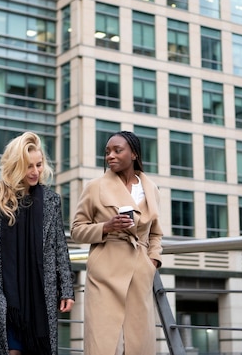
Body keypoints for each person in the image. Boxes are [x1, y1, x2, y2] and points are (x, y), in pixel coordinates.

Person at [0, 132, 75, 355]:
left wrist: (67, 290)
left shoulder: (51, 201)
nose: (35, 172)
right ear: (16, 166)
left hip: (39, 293)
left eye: (39, 165)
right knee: (10, 350)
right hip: (3, 292)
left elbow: (60, 246)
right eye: (28, 166)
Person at [71, 130, 163, 355]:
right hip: (105, 271)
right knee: (103, 340)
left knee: (138, 340)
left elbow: (156, 234)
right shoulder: (95, 186)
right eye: (107, 152)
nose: (110, 156)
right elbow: (76, 230)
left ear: (133, 154)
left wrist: (153, 262)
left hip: (139, 271)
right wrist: (106, 227)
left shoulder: (151, 188)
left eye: (117, 150)